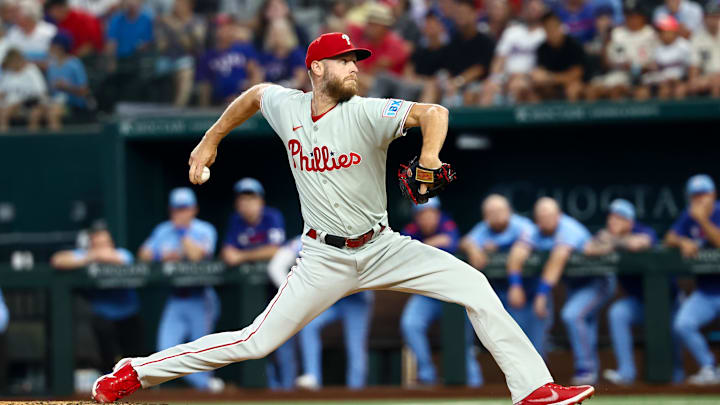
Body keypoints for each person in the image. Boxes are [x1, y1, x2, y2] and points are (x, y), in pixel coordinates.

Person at [92, 31, 596, 405]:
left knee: (475, 287)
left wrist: (427, 159)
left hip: (382, 247)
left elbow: (434, 113)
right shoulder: (286, 105)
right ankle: (134, 373)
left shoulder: (367, 110)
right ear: (316, 69)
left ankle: (533, 389)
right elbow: (252, 96)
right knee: (254, 341)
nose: (354, 66)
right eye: (343, 60)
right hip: (321, 257)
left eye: (356, 59)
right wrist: (210, 140)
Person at [137, 187, 223, 392]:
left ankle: (208, 389)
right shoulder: (163, 230)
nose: (180, 213)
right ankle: (209, 387)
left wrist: (183, 236)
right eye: (176, 209)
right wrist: (161, 256)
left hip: (201, 298)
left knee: (201, 356)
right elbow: (142, 255)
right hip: (176, 299)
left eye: (184, 208)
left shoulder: (205, 229)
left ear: (194, 209)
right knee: (164, 353)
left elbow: (197, 256)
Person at [401, 198, 483, 387]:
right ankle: (427, 375)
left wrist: (423, 245)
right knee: (410, 324)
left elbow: (452, 244)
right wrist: (431, 243)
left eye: (431, 213)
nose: (427, 218)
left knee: (463, 339)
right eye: (422, 215)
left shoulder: (447, 223)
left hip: (453, 294)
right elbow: (405, 254)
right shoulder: (411, 231)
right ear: (416, 217)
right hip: (427, 294)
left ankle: (474, 382)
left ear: (437, 214)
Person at [220, 178, 290, 390]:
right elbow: (227, 253)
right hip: (251, 297)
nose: (247, 203)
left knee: (283, 340)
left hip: (276, 291)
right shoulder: (236, 221)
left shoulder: (271, 216)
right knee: (255, 340)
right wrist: (242, 255)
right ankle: (267, 391)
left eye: (251, 199)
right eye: (243, 199)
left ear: (260, 201)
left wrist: (243, 256)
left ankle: (288, 391)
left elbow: (275, 249)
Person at [583, 200, 661, 385]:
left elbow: (639, 243)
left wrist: (613, 242)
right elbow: (588, 248)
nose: (612, 222)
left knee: (674, 332)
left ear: (629, 222)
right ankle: (626, 373)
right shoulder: (607, 235)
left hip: (666, 301)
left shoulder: (643, 230)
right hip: (639, 302)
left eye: (619, 219)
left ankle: (676, 380)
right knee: (618, 313)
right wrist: (609, 243)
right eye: (611, 218)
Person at [51, 220, 143, 373]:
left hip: (128, 314)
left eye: (105, 243)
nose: (102, 248)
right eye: (98, 244)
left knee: (135, 362)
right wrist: (89, 257)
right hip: (103, 317)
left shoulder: (121, 253)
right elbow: (57, 260)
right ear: (91, 245)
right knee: (105, 359)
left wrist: (102, 256)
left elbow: (125, 259)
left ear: (111, 244)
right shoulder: (87, 256)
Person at [505, 198, 589, 359]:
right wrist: (515, 285)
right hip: (570, 283)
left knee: (574, 316)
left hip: (593, 281)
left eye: (550, 215)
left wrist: (541, 295)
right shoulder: (535, 230)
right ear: (536, 220)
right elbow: (518, 252)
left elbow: (557, 259)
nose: (546, 219)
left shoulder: (568, 228)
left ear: (559, 215)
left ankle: (586, 370)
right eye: (541, 216)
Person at [669, 174, 720, 385]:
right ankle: (709, 368)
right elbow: (669, 237)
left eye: (704, 194)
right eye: (695, 195)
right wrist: (682, 241)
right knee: (682, 323)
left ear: (713, 195)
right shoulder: (688, 215)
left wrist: (702, 220)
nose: (699, 199)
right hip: (706, 292)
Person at [426, 0, 494, 106]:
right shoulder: (453, 42)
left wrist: (458, 82)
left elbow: (481, 68)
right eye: (458, 14)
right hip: (454, 86)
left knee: (470, 94)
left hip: (479, 85)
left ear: (474, 14)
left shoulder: (485, 40)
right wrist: (448, 82)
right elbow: (447, 68)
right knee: (433, 86)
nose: (461, 17)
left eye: (464, 13)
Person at [586, 1, 657, 101]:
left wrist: (635, 68)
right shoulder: (617, 33)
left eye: (634, 16)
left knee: (634, 91)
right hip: (619, 73)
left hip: (644, 77)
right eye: (628, 15)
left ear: (642, 17)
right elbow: (606, 62)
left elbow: (655, 63)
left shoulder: (651, 33)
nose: (631, 19)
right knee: (592, 89)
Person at [480, 0, 546, 105]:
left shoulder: (545, 35)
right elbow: (499, 59)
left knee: (519, 86)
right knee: (488, 87)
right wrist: (493, 78)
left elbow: (544, 66)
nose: (533, 12)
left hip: (530, 78)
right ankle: (484, 121)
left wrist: (523, 76)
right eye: (530, 8)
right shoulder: (512, 31)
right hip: (506, 77)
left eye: (536, 9)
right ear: (524, 10)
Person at [196, 15, 262, 106]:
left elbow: (256, 73)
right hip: (218, 104)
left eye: (228, 26)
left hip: (243, 101)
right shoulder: (208, 56)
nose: (224, 30)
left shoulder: (244, 48)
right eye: (220, 27)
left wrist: (249, 97)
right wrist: (204, 107)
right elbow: (205, 86)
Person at [153, 0, 206, 106]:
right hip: (167, 58)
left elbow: (191, 45)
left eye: (181, 3)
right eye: (176, 3)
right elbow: (161, 46)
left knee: (185, 71)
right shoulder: (164, 20)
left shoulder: (198, 20)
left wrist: (176, 26)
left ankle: (178, 108)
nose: (177, 6)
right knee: (157, 68)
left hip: (189, 57)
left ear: (190, 5)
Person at [532, 11, 586, 101]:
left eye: (554, 27)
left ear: (560, 26)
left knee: (574, 89)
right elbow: (540, 73)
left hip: (572, 83)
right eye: (548, 28)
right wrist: (540, 77)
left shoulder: (573, 45)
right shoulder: (542, 48)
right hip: (551, 85)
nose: (551, 31)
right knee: (534, 91)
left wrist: (552, 78)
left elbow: (577, 74)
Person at [636, 15, 691, 100]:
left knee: (672, 90)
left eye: (665, 31)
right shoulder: (656, 46)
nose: (662, 34)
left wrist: (683, 81)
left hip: (679, 81)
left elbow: (690, 68)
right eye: (661, 31)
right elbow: (651, 68)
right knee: (642, 92)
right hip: (659, 80)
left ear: (674, 31)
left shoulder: (684, 46)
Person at [45, 33, 90, 130]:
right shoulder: (52, 65)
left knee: (52, 114)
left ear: (60, 47)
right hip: (54, 101)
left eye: (52, 45)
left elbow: (84, 90)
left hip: (72, 104)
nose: (50, 48)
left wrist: (66, 86)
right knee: (36, 113)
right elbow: (50, 90)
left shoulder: (75, 64)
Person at [0, 48, 47, 132]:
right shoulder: (8, 73)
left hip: (32, 104)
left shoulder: (32, 70)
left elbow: (40, 92)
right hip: (10, 105)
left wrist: (21, 101)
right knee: (3, 113)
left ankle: (31, 142)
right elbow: (2, 92)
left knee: (34, 115)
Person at [258, 18, 308, 90]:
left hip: (292, 94)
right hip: (269, 96)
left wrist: (281, 87)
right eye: (273, 33)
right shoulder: (265, 56)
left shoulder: (296, 53)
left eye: (280, 33)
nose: (276, 36)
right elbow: (259, 79)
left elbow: (300, 80)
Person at [688, 2, 720, 98]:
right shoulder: (697, 38)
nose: (713, 20)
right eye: (710, 17)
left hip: (715, 79)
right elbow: (694, 66)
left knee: (717, 85)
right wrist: (693, 81)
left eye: (716, 16)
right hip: (707, 77)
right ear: (704, 18)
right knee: (686, 88)